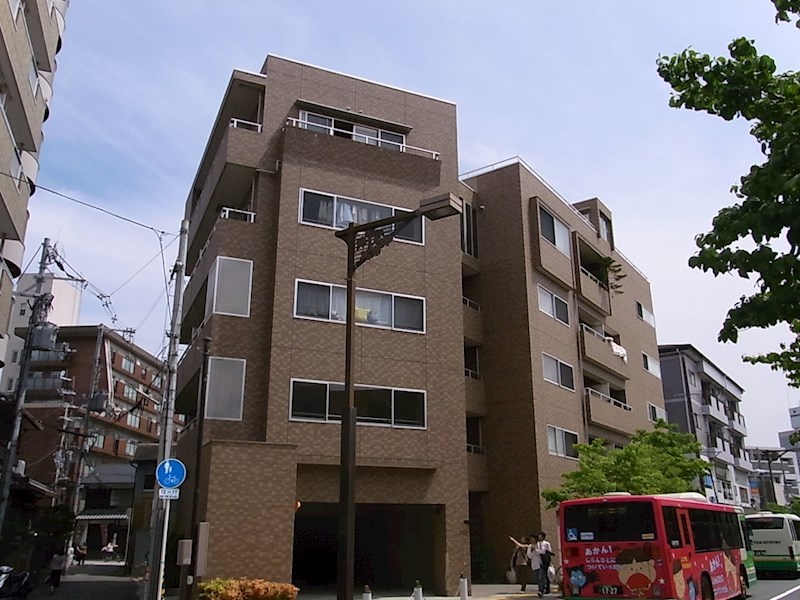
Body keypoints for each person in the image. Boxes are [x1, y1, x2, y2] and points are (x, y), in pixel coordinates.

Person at [535, 531, 553, 597]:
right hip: (538, 560)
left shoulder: (546, 543)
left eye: (540, 536)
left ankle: (547, 588)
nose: (539, 537)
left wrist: (538, 551)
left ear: (543, 536)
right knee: (541, 575)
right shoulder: (536, 543)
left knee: (545, 574)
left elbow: (549, 551)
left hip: (545, 560)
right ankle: (542, 588)